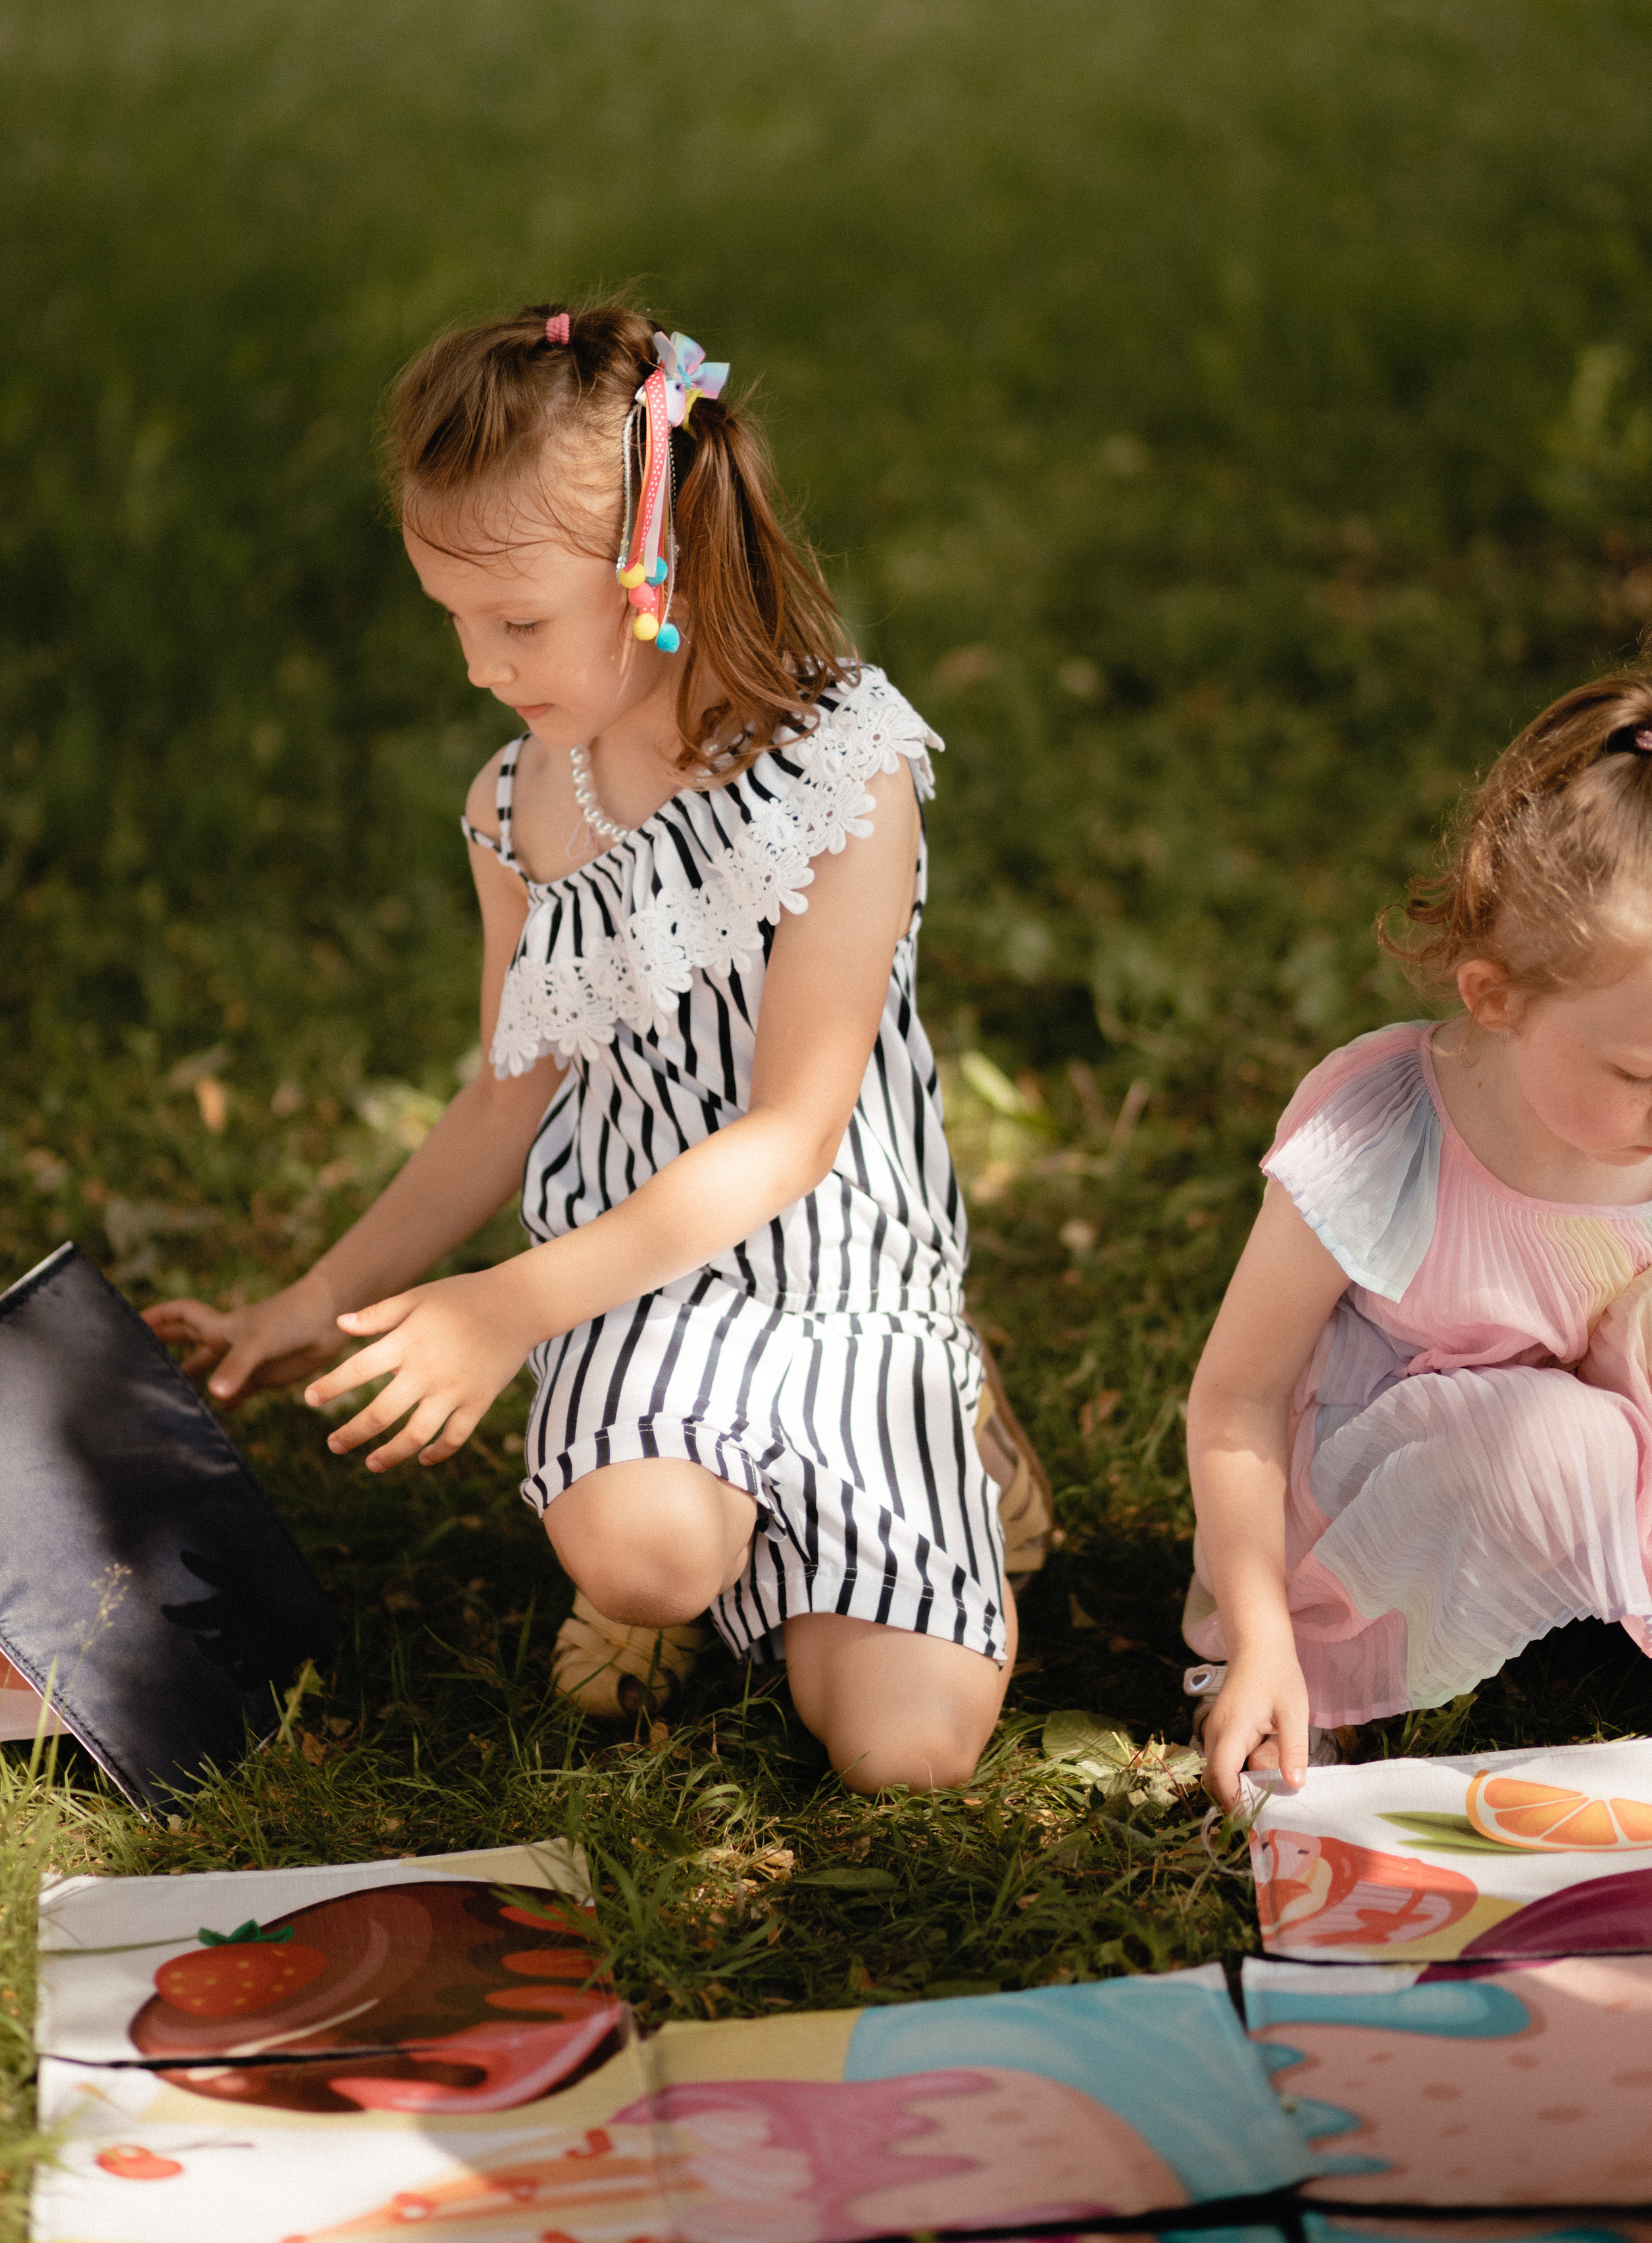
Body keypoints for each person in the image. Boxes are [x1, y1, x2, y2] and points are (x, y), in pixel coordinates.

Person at [146, 299, 1051, 1792]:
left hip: (836, 1280)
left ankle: (944, 1425)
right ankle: (686, 1550)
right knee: (642, 1559)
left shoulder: (843, 771)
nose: (476, 667)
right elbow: (509, 1088)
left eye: (515, 622)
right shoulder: (516, 807)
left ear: (661, 570)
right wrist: (311, 1299)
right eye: (451, 620)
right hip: (636, 1288)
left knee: (907, 1759)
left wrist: (502, 1308)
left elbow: (788, 1139)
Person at [1185, 656, 1652, 1809]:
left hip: (1597, 1458)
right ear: (1496, 995)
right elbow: (1238, 1400)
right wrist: (1261, 1637)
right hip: (1386, 1513)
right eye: (1641, 1073)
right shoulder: (1386, 1132)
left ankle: (1621, 1602)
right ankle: (1331, 1674)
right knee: (1552, 1435)